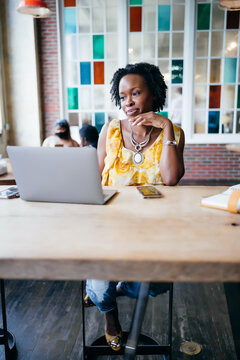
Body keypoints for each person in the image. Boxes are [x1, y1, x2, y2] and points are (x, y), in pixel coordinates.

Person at [86, 63, 185, 351]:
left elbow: (170, 178)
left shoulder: (174, 132)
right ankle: (110, 318)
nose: (128, 101)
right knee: (102, 286)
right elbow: (93, 177)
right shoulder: (111, 131)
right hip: (109, 226)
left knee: (158, 284)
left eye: (136, 93)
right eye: (123, 95)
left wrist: (165, 126)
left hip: (155, 229)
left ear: (153, 95)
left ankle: (110, 289)